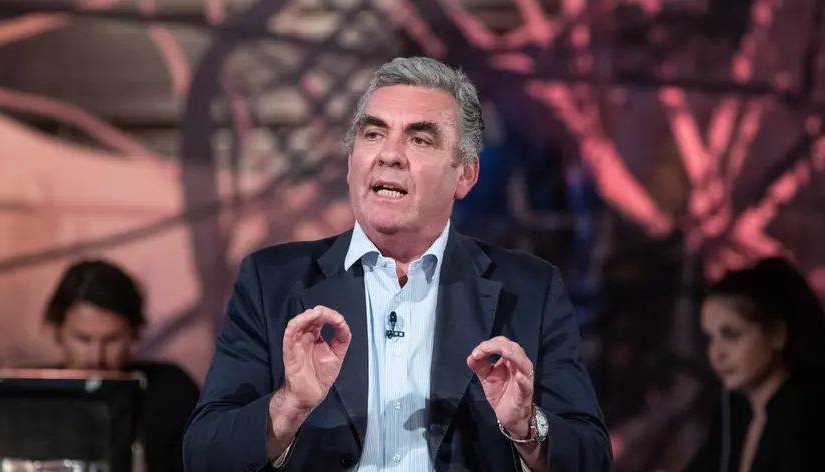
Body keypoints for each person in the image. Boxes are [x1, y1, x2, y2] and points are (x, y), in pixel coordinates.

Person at [183, 56, 611, 472]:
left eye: (419, 139)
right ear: (351, 163)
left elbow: (591, 457)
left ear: (465, 175)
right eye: (373, 134)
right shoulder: (271, 281)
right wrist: (289, 406)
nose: (389, 155)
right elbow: (202, 455)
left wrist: (526, 428)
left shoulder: (530, 289)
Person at [44, 259, 200, 472]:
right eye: (83, 339)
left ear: (134, 334)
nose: (96, 356)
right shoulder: (26, 395)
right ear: (57, 331)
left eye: (112, 340)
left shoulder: (171, 391)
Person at [685, 257, 825, 472]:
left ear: (777, 334)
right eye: (710, 338)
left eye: (731, 335)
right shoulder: (734, 411)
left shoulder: (809, 420)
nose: (716, 354)